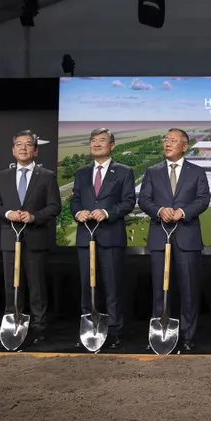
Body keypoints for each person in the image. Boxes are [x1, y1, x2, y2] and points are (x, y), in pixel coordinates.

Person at [137, 128, 211, 351]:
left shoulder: (197, 172)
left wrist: (182, 212)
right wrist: (159, 210)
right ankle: (159, 334)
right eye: (166, 140)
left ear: (185, 146)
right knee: (160, 289)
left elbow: (203, 200)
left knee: (189, 289)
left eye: (173, 141)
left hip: (187, 239)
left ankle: (187, 336)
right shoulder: (152, 171)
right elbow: (144, 200)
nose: (167, 144)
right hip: (160, 238)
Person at [0, 130, 60, 346]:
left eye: (28, 144)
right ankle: (14, 323)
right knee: (12, 285)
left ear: (35, 150)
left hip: (36, 238)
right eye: (18, 144)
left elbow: (55, 207)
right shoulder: (3, 176)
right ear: (12, 150)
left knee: (37, 286)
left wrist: (34, 216)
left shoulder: (46, 176)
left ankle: (39, 327)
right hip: (10, 239)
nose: (23, 148)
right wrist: (8, 214)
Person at [70, 128, 136, 348]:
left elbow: (128, 202)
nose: (97, 144)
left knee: (112, 286)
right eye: (93, 140)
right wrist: (77, 211)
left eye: (102, 140)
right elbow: (75, 200)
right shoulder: (81, 172)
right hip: (85, 237)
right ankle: (88, 331)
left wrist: (107, 213)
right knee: (87, 287)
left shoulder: (124, 171)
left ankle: (114, 331)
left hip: (111, 237)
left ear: (112, 145)